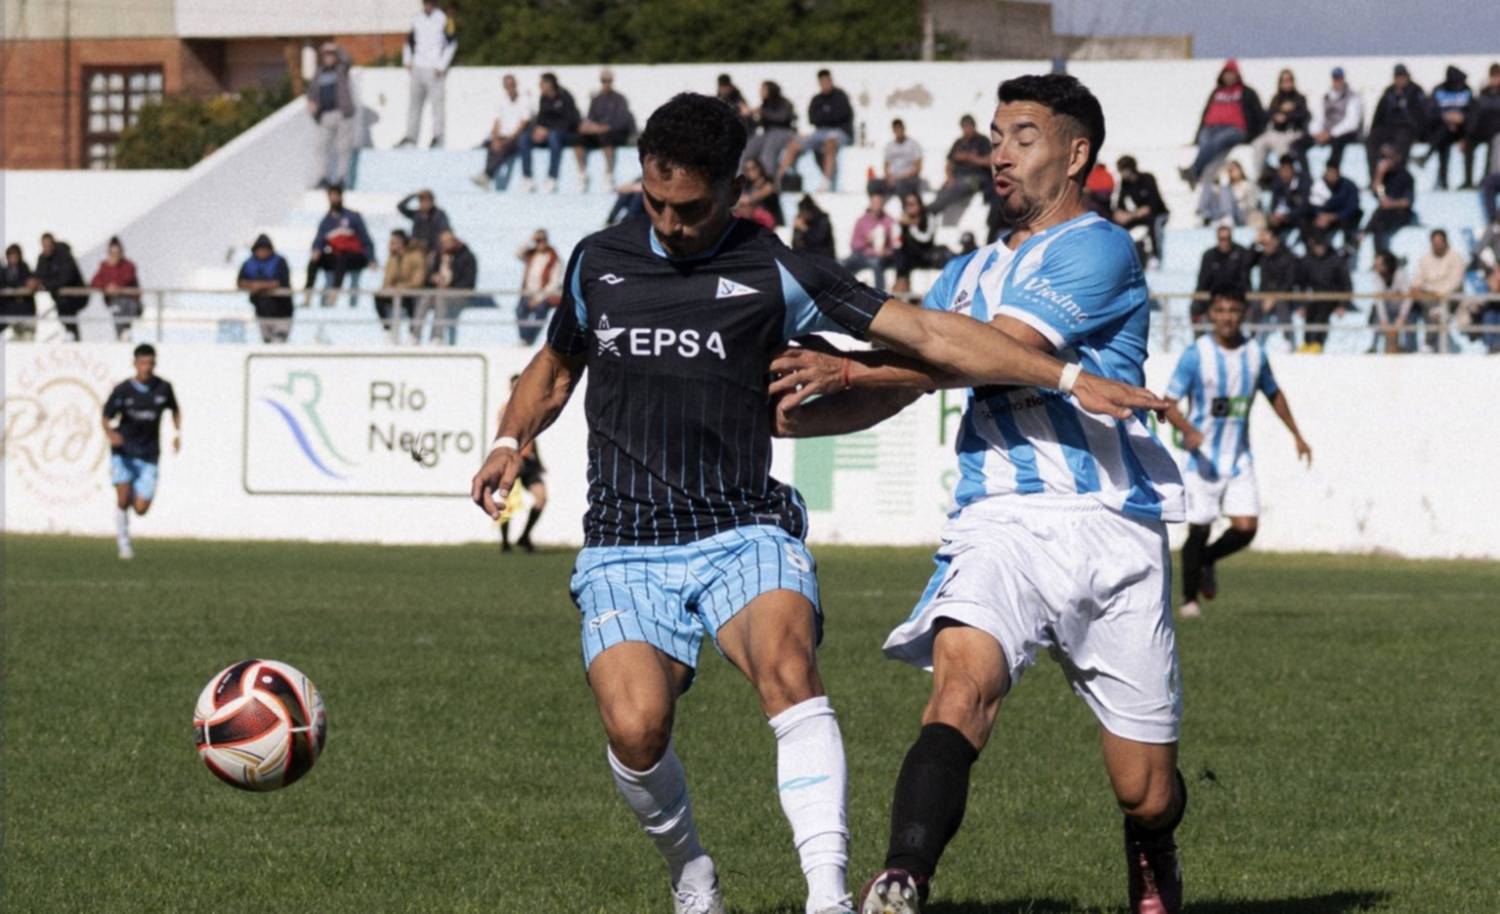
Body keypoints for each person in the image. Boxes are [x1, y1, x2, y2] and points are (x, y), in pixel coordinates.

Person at [469, 91, 1167, 914]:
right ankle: (692, 871)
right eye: (655, 203)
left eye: (690, 209)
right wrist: (510, 439)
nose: (671, 224)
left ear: (735, 190)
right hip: (627, 537)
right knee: (636, 727)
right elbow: (555, 368)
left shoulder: (778, 267)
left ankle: (830, 898)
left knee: (790, 670)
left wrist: (1070, 377)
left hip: (744, 528)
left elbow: (931, 339)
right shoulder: (598, 263)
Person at [761, 74, 1189, 914]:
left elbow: (990, 350)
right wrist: (783, 420)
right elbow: (908, 380)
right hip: (999, 520)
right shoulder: (963, 274)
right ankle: (902, 878)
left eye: (1022, 137)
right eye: (994, 138)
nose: (999, 154)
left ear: (1076, 154)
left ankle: (1154, 840)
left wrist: (848, 366)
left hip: (1109, 522)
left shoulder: (1100, 248)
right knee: (960, 687)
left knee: (1144, 790)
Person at [1164, 286, 1311, 620]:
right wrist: (1188, 430)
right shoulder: (1196, 355)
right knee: (1199, 528)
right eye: (1220, 311)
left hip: (1239, 458)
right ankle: (1189, 601)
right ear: (1210, 315)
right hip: (1203, 460)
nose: (1227, 318)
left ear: (1244, 313)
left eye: (1233, 310)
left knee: (1246, 527)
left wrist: (1297, 435)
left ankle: (1207, 560)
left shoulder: (1255, 354)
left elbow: (1273, 393)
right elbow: (1168, 403)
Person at [102, 344, 180, 560]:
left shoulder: (163, 388)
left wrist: (177, 433)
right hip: (124, 451)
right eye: (143, 363)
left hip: (149, 453)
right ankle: (124, 544)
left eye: (150, 363)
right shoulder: (123, 390)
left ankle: (133, 493)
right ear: (135, 364)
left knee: (141, 508)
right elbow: (106, 416)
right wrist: (110, 432)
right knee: (122, 498)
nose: (147, 367)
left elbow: (175, 410)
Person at [1181, 59, 1264, 189]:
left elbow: (1259, 115)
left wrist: (1253, 135)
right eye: (1226, 74)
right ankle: (1196, 174)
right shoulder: (1216, 92)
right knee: (1205, 141)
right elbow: (1205, 114)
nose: (1229, 77)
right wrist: (1197, 137)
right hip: (1211, 128)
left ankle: (1194, 171)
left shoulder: (1247, 92)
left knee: (1217, 141)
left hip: (1236, 129)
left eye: (1232, 74)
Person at [498, 374, 548, 553]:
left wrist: (538, 460)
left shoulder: (531, 408)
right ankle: (505, 542)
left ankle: (524, 536)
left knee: (541, 498)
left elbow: (533, 437)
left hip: (528, 462)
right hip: (513, 460)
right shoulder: (506, 410)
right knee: (508, 501)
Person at [397, 0, 456, 148]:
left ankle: (438, 137)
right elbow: (409, 41)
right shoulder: (416, 18)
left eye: (431, 2)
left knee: (437, 106)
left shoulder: (444, 19)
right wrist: (407, 59)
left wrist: (441, 65)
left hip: (434, 69)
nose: (428, 5)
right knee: (414, 105)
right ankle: (411, 137)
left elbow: (452, 43)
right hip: (418, 66)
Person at [786, 69, 854, 192]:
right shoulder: (816, 99)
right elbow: (812, 119)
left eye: (827, 81)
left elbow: (842, 115)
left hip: (839, 132)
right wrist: (828, 116)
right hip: (820, 133)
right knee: (794, 144)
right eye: (822, 82)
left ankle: (826, 182)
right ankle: (783, 178)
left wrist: (825, 116)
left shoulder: (841, 96)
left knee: (830, 143)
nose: (825, 84)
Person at [308, 185, 375, 308]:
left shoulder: (353, 217)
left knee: (343, 256)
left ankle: (335, 293)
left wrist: (371, 258)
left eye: (336, 196)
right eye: (331, 196)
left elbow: (366, 239)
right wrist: (316, 251)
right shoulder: (326, 221)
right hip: (338, 257)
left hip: (354, 256)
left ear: (341, 197)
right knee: (315, 261)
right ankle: (307, 294)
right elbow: (319, 241)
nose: (334, 199)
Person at [517, 72, 581, 193]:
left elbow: (570, 121)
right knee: (524, 138)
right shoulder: (543, 98)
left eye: (542, 83)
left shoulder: (565, 96)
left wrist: (548, 130)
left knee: (554, 137)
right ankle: (527, 178)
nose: (539, 86)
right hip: (546, 133)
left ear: (550, 84)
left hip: (565, 133)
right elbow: (541, 118)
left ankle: (552, 177)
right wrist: (538, 130)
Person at [575, 69, 637, 191]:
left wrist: (604, 127)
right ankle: (582, 174)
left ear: (612, 81)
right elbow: (591, 118)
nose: (606, 83)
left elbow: (621, 120)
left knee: (607, 137)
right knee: (578, 139)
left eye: (608, 81)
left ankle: (609, 174)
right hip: (599, 132)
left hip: (615, 132)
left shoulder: (619, 99)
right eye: (603, 81)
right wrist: (590, 127)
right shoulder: (596, 99)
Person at [1366, 64, 1428, 182]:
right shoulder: (1389, 92)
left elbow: (1422, 114)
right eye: (1397, 77)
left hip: (1408, 128)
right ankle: (1374, 179)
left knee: (1401, 146)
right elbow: (1379, 113)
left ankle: (1398, 179)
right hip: (1388, 127)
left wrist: (1419, 133)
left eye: (1402, 77)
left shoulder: (1416, 91)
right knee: (1372, 139)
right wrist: (1373, 130)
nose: (1400, 80)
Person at [307, 42, 356, 188]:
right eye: (326, 55)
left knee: (343, 148)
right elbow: (311, 91)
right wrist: (312, 102)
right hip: (324, 115)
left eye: (331, 55)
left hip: (342, 113)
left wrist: (336, 48)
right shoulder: (319, 72)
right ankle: (323, 177)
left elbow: (348, 59)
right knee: (321, 148)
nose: (329, 58)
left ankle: (342, 179)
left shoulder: (341, 69)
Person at [1294, 67, 1363, 171]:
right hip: (1326, 133)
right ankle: (1306, 175)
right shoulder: (1326, 97)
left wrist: (1331, 133)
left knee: (1338, 144)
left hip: (1343, 134)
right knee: (1298, 144)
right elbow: (1318, 118)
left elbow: (1352, 122)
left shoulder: (1353, 97)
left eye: (1339, 78)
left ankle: (1331, 173)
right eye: (1335, 79)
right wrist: (1317, 133)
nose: (1337, 82)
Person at [472, 74, 532, 190]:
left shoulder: (524, 100)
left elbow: (523, 123)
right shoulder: (501, 101)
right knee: (492, 145)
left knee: (503, 147)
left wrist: (509, 138)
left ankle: (487, 175)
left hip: (516, 137)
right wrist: (495, 138)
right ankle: (487, 175)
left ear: (516, 85)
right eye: (508, 86)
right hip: (502, 136)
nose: (510, 88)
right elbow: (497, 122)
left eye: (512, 85)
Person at [1249, 68, 1309, 185]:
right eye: (1284, 81)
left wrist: (1288, 115)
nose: (1286, 84)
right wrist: (1278, 113)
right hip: (1276, 132)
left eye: (1289, 80)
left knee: (1282, 147)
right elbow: (1268, 114)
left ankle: (1285, 178)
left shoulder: (1299, 98)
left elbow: (1304, 115)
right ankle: (1260, 175)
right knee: (1258, 144)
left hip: (1292, 132)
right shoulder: (1276, 99)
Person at [1410, 228, 1466, 352]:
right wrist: (1422, 289)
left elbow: (1455, 283)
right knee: (1418, 301)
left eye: (1440, 242)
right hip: (1430, 298)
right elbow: (1417, 280)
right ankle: (1414, 346)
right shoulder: (1424, 259)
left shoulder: (1456, 258)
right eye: (1435, 242)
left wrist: (1436, 292)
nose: (1437, 245)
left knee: (1435, 308)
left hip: (1450, 297)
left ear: (1446, 242)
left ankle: (1430, 343)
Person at [1296, 233, 1351, 353]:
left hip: (1332, 297)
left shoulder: (1336, 260)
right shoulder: (1308, 260)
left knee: (1322, 313)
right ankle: (1307, 342)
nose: (1319, 249)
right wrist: (1302, 304)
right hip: (1315, 296)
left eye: (1321, 246)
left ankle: (1317, 343)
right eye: (1316, 246)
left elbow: (1346, 285)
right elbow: (1302, 284)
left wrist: (1343, 305)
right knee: (1310, 313)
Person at [423, 229, 479, 345]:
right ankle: (414, 334)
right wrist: (433, 278)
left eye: (447, 242)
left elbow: (469, 282)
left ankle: (437, 336)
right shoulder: (438, 256)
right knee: (426, 296)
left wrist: (450, 286)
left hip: (460, 295)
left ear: (454, 241)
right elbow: (428, 277)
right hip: (441, 293)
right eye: (442, 242)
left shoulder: (467, 257)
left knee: (441, 297)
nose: (444, 245)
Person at [929, 115, 993, 216]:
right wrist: (950, 177)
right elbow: (949, 164)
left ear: (974, 126)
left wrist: (971, 158)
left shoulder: (983, 140)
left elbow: (990, 162)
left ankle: (931, 210)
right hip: (957, 177)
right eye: (964, 126)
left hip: (977, 178)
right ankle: (932, 212)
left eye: (969, 126)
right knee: (943, 190)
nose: (967, 129)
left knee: (959, 186)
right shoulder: (958, 143)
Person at [1113, 155, 1170, 265]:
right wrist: (1120, 214)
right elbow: (1120, 204)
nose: (1122, 174)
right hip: (1139, 214)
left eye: (1123, 170)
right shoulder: (1125, 183)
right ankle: (1120, 254)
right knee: (1117, 224)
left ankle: (1156, 256)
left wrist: (1132, 215)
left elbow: (1152, 205)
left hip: (1158, 213)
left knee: (1154, 224)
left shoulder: (1148, 179)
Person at [238, 234, 294, 343]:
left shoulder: (280, 261)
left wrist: (260, 286)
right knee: (267, 341)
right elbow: (240, 282)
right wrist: (253, 285)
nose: (262, 252)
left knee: (278, 341)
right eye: (260, 250)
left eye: (265, 249)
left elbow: (282, 281)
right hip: (262, 310)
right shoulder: (249, 263)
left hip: (282, 310)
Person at [891, 192, 950, 294]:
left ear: (919, 205)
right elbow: (896, 243)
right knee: (900, 253)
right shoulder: (903, 219)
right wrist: (900, 225)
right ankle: (901, 285)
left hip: (924, 254)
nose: (910, 207)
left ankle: (901, 286)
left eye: (913, 204)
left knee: (904, 255)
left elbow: (925, 238)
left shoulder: (928, 217)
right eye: (907, 204)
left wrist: (912, 225)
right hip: (908, 256)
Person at [1428, 65, 1475, 190]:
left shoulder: (1467, 90)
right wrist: (1445, 117)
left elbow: (1474, 113)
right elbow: (1430, 111)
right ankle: (1443, 180)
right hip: (1443, 128)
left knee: (1469, 141)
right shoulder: (1439, 90)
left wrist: (1462, 119)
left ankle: (1468, 181)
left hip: (1464, 129)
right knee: (1443, 137)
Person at [31, 233, 86, 340]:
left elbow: (66, 278)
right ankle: (71, 335)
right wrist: (33, 281)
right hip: (60, 297)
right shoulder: (42, 258)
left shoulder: (64, 255)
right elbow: (39, 276)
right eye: (44, 246)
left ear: (54, 244)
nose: (47, 248)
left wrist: (46, 284)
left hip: (76, 296)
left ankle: (72, 335)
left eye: (49, 245)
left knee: (66, 310)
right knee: (64, 312)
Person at [1195, 224, 1253, 324]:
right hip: (1214, 298)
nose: (1224, 242)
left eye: (1227, 239)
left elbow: (1245, 280)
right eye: (1221, 239)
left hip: (1237, 298)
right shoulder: (1209, 255)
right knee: (1196, 307)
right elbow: (1203, 281)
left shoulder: (1241, 253)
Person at [376, 230, 428, 343]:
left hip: (412, 291)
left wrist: (401, 287)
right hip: (396, 292)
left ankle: (413, 333)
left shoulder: (416, 256)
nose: (390, 245)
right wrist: (387, 288)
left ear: (401, 242)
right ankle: (388, 329)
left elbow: (418, 281)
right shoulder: (393, 258)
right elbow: (388, 279)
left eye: (393, 242)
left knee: (410, 299)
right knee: (379, 297)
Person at [743, 80, 798, 184]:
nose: (760, 92)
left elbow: (783, 118)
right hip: (767, 133)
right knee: (747, 149)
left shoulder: (784, 102)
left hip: (783, 132)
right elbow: (758, 124)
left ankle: (768, 181)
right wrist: (749, 115)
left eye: (763, 89)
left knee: (768, 152)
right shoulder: (765, 104)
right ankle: (741, 181)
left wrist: (762, 112)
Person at [1365, 144, 1416, 254]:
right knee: (1378, 217)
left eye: (1388, 157)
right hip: (1384, 212)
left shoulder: (1406, 177)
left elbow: (1407, 202)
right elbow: (1380, 195)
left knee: (1379, 224)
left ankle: (1381, 256)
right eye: (1382, 157)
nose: (1385, 160)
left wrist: (1391, 203)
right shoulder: (1384, 176)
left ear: (1397, 157)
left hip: (1401, 213)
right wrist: (1379, 175)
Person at [840, 193, 897, 291]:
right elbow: (854, 245)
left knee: (876, 263)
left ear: (883, 204)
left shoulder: (889, 221)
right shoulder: (861, 221)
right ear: (870, 203)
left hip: (880, 257)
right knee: (841, 263)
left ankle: (880, 293)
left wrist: (886, 252)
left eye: (879, 203)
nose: (877, 205)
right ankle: (844, 291)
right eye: (874, 203)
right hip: (861, 255)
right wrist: (866, 240)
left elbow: (895, 245)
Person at [1252, 228, 1299, 344]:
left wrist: (1273, 298)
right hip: (1263, 295)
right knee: (1253, 307)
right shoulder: (1262, 256)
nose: (1266, 246)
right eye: (1264, 244)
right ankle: (1251, 339)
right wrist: (1255, 243)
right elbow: (1246, 261)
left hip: (1282, 295)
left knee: (1282, 306)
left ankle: (1289, 341)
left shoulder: (1287, 256)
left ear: (1276, 241)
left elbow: (1289, 282)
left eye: (1268, 243)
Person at [90, 236, 142, 340]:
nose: (115, 255)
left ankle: (124, 332)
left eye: (117, 253)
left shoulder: (128, 265)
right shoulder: (104, 266)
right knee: (117, 308)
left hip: (130, 301)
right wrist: (106, 286)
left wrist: (115, 285)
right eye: (112, 253)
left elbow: (128, 278)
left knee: (123, 306)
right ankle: (122, 335)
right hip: (114, 301)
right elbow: (94, 281)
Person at [515, 230, 562, 346]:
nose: (540, 243)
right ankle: (524, 339)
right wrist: (529, 239)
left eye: (542, 240)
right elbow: (518, 253)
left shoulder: (554, 259)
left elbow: (554, 283)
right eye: (537, 241)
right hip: (528, 293)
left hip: (543, 295)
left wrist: (539, 298)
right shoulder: (531, 255)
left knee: (540, 313)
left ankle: (529, 340)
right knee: (520, 311)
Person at [1308, 161, 1362, 255]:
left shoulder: (1349, 186)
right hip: (1328, 219)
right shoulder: (1319, 186)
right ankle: (1319, 251)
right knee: (1313, 223)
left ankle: (1348, 248)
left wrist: (1334, 216)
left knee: (1349, 220)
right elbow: (1314, 205)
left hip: (1345, 218)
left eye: (1333, 173)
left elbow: (1353, 207)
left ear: (1338, 173)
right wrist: (1321, 216)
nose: (1331, 176)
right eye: (1329, 172)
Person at [1368, 250, 1414, 354]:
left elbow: (1408, 297)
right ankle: (1374, 346)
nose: (1376, 266)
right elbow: (1379, 299)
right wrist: (1384, 320)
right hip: (1387, 307)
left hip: (1402, 307)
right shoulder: (1377, 275)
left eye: (1380, 264)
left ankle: (1408, 348)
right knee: (1378, 318)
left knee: (1410, 319)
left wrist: (1402, 316)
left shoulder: (1400, 274)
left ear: (1387, 265)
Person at [1197, 159, 1262, 228]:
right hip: (1221, 217)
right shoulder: (1224, 188)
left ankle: (1226, 218)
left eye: (1232, 170)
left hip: (1243, 214)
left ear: (1240, 170)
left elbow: (1252, 204)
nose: (1230, 173)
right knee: (1209, 187)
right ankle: (1205, 217)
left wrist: (1225, 185)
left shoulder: (1247, 185)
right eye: (1229, 171)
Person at [871, 118, 923, 199]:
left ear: (904, 129)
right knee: (872, 184)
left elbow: (918, 166)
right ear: (893, 130)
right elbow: (886, 165)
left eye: (900, 128)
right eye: (896, 129)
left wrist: (904, 176)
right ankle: (876, 205)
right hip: (892, 179)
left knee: (901, 184)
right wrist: (889, 177)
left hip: (908, 179)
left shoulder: (913, 144)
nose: (898, 131)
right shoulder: (889, 146)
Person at [397, 189, 451, 265]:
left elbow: (444, 232)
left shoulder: (439, 215)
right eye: (421, 201)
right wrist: (413, 195)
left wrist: (435, 251)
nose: (424, 204)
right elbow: (400, 207)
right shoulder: (417, 214)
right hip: (416, 247)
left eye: (426, 201)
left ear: (432, 202)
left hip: (431, 250)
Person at [1265, 157, 1312, 241]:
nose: (1284, 174)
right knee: (1270, 225)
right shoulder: (1277, 184)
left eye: (1287, 171)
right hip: (1282, 218)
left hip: (1297, 217)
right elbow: (1274, 204)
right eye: (1282, 171)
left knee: (1304, 222)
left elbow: (1305, 207)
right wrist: (1274, 216)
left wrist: (1287, 216)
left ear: (1293, 170)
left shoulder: (1303, 181)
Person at [2, 243, 37, 340]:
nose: (13, 258)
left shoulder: (24, 268)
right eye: (11, 255)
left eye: (15, 255)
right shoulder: (5, 271)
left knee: (27, 337)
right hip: (12, 311)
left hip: (26, 311)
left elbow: (28, 282)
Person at [740, 157, 784, 226]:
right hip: (754, 220)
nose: (751, 171)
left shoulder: (769, 182)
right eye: (747, 170)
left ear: (759, 168)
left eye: (753, 168)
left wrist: (745, 200)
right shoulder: (748, 186)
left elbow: (755, 197)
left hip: (771, 220)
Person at [792, 195, 835, 260]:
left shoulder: (822, 220)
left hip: (823, 257)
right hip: (805, 257)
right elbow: (795, 244)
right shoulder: (801, 219)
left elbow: (818, 240)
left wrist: (804, 229)